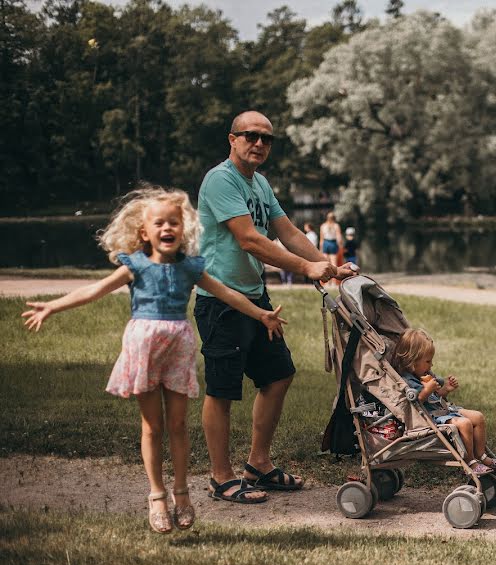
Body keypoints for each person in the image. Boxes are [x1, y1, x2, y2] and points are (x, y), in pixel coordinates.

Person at [21, 186, 287, 532]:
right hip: (144, 350)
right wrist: (53, 305)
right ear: (144, 232)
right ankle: (157, 495)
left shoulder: (191, 268)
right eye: (159, 223)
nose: (167, 228)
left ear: (183, 228)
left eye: (174, 222)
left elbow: (227, 294)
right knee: (152, 426)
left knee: (177, 426)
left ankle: (182, 493)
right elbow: (94, 290)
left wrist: (261, 314)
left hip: (177, 350)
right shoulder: (135, 266)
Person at [196, 111, 356, 504]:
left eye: (267, 139)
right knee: (222, 390)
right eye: (251, 136)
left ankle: (258, 464)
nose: (260, 144)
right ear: (231, 139)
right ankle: (221, 476)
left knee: (279, 375)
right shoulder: (221, 180)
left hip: (256, 298)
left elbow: (286, 232)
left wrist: (328, 267)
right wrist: (305, 268)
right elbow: (249, 239)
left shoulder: (260, 183)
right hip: (221, 301)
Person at [390, 328, 496, 476]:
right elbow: (415, 401)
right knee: (464, 423)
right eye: (428, 361)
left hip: (444, 409)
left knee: (478, 417)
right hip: (430, 417)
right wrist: (426, 391)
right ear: (412, 360)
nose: (431, 366)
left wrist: (446, 389)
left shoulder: (423, 374)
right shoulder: (407, 380)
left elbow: (437, 395)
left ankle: (481, 455)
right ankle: (470, 462)